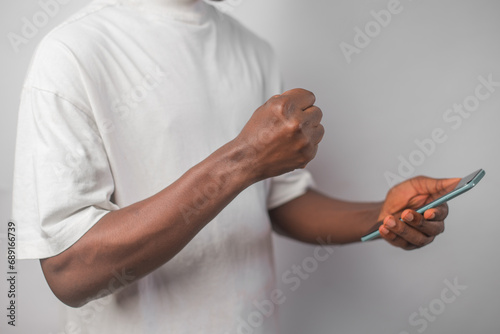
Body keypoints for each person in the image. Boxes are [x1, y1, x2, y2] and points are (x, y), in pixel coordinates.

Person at [11, 0, 459, 333]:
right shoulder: (72, 52)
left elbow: (278, 198)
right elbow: (70, 270)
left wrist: (380, 215)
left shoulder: (253, 48)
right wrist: (244, 158)